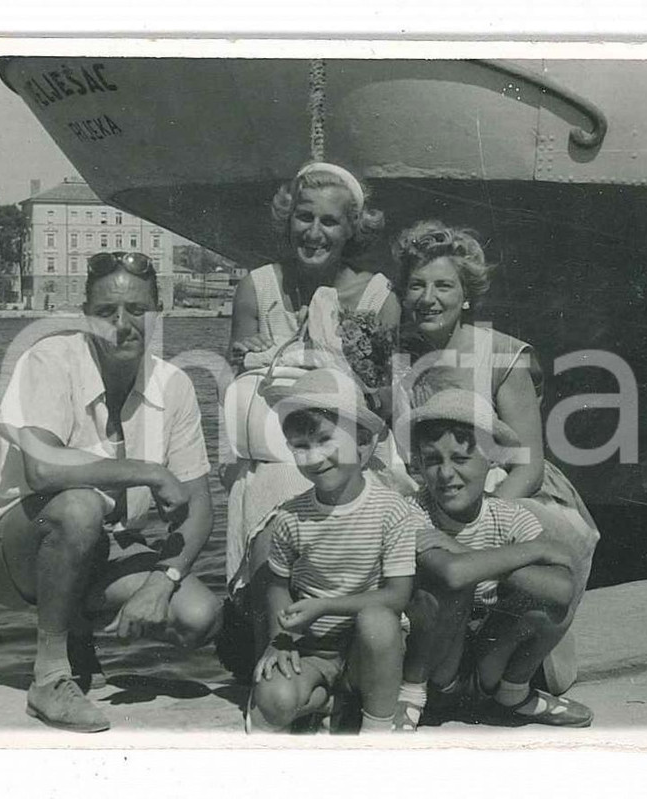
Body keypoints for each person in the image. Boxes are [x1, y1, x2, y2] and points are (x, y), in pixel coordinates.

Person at [0, 251, 221, 733]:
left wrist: (162, 581)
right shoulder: (50, 360)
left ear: (157, 313)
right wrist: (147, 471)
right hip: (6, 548)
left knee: (198, 616)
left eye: (137, 310)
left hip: (101, 543)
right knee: (78, 506)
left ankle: (78, 632)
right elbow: (41, 469)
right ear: (86, 318)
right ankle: (51, 676)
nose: (122, 324)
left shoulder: (174, 385)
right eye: (106, 313)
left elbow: (199, 505)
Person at [394, 220, 601, 696]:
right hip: (439, 486)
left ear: (465, 294)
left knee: (540, 552)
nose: (429, 297)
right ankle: (436, 664)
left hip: (511, 491)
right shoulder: (402, 359)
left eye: (443, 285)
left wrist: (480, 519)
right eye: (417, 285)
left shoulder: (501, 353)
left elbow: (528, 463)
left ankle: (510, 672)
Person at [220, 161, 408, 677]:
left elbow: (384, 400)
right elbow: (241, 377)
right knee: (272, 484)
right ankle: (271, 650)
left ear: (352, 229)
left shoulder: (377, 298)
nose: (314, 232)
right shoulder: (256, 288)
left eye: (330, 222)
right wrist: (247, 349)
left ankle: (344, 653)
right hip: (278, 444)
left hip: (350, 446)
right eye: (304, 218)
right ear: (288, 220)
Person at [392, 388, 594, 730]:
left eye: (460, 459)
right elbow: (453, 575)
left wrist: (466, 550)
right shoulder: (412, 512)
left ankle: (513, 693)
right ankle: (411, 700)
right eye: (432, 460)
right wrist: (534, 551)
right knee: (449, 587)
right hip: (436, 666)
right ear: (420, 467)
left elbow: (563, 591)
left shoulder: (507, 516)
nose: (445, 474)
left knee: (550, 599)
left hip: (489, 663)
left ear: (493, 459)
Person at [247, 368, 419, 734]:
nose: (314, 458)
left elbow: (398, 595)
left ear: (362, 443)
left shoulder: (392, 510)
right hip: (313, 650)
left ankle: (376, 728)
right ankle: (330, 700)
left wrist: (326, 606)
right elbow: (277, 584)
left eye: (326, 440)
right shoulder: (291, 517)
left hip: (370, 650)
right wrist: (281, 639)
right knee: (273, 706)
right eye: (301, 446)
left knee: (378, 620)